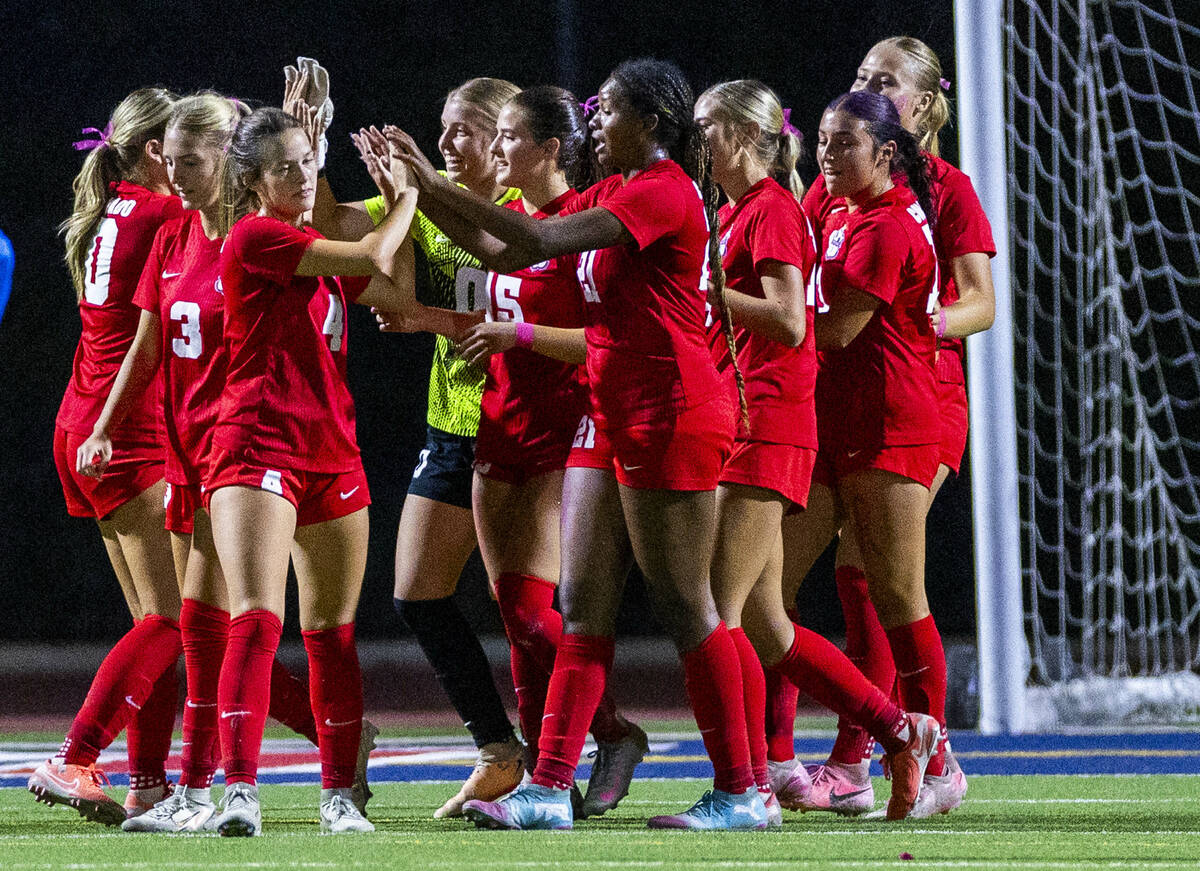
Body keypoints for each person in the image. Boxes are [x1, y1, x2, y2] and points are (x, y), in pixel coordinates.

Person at [388, 57, 766, 831]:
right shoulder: (614, 190)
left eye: (610, 110)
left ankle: (744, 789)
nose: (596, 120)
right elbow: (508, 254)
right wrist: (426, 193)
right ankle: (550, 785)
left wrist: (431, 186)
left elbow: (529, 232)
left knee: (686, 605)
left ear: (651, 124)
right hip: (609, 408)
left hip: (671, 408)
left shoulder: (662, 191)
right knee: (581, 608)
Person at [75, 88, 374, 833]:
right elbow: (149, 343)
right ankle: (187, 785)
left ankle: (233, 783)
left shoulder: (277, 229)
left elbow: (376, 265)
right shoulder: (182, 237)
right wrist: (107, 424)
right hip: (208, 447)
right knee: (201, 624)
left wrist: (324, 151)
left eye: (190, 161)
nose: (176, 175)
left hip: (285, 444)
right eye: (168, 160)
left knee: (238, 623)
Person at [370, 86, 646, 818]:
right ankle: (532, 764)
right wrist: (411, 208)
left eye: (497, 138)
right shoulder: (503, 228)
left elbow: (602, 339)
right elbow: (474, 296)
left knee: (539, 616)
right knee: (506, 613)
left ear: (543, 146)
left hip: (565, 429)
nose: (485, 152)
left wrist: (515, 335)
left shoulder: (577, 225)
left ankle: (606, 736)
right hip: (497, 423)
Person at [696, 79, 940, 825]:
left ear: (743, 135)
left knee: (723, 610)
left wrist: (705, 292)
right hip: (791, 419)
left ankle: (747, 787)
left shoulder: (778, 210)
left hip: (788, 419)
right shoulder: (789, 209)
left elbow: (801, 325)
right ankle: (898, 731)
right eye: (825, 140)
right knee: (768, 620)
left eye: (707, 128)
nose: (831, 154)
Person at [771, 37, 996, 819]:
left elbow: (982, 302)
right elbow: (794, 280)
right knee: (786, 582)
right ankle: (796, 758)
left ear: (923, 105)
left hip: (917, 400)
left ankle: (878, 754)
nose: (867, 87)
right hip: (835, 400)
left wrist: (917, 312)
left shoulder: (940, 192)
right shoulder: (835, 189)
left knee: (874, 573)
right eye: (861, 75)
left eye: (886, 82)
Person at [311, 78, 527, 819]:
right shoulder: (428, 206)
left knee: (529, 608)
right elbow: (335, 225)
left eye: (464, 129)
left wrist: (417, 313)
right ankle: (503, 748)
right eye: (444, 127)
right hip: (453, 426)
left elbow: (508, 312)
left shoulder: (531, 216)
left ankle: (585, 742)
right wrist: (311, 143)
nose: (445, 143)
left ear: (506, 137)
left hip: (521, 426)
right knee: (416, 594)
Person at [202, 104, 417, 836]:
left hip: (332, 450)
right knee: (257, 619)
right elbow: (373, 257)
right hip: (257, 441)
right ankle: (239, 792)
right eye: (286, 165)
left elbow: (397, 293)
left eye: (309, 159)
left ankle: (338, 796)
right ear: (255, 180)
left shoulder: (312, 241)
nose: (302, 173)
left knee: (332, 632)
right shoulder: (257, 235)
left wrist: (458, 322)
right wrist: (408, 195)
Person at [31, 88, 186, 827]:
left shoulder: (117, 210)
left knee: (155, 627)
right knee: (176, 618)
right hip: (124, 433)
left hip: (83, 422)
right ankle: (77, 755)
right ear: (160, 151)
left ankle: (149, 780)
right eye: (190, 143)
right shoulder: (166, 215)